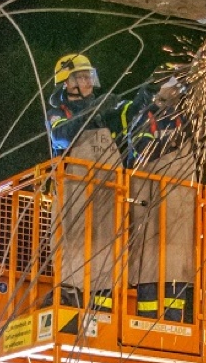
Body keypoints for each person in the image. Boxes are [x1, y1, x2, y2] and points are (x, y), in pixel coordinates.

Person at [45, 54, 142, 312]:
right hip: (74, 191)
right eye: (81, 77)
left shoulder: (105, 112)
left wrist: (148, 94)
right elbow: (61, 135)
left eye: (89, 76)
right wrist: (93, 110)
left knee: (108, 245)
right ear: (66, 82)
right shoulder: (58, 113)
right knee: (74, 243)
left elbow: (131, 113)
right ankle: (71, 298)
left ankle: (103, 307)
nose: (88, 81)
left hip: (108, 190)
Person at [126, 76, 196, 322]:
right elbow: (141, 152)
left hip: (178, 205)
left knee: (176, 263)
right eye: (172, 87)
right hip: (148, 201)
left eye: (179, 88)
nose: (177, 92)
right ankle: (147, 322)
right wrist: (170, 149)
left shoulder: (182, 119)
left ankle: (174, 322)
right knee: (149, 262)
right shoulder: (143, 117)